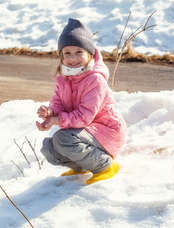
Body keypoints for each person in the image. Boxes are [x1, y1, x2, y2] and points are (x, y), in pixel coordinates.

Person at [36, 18, 126, 185]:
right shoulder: (63, 77)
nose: (73, 58)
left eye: (79, 52)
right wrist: (50, 114)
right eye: (67, 53)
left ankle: (105, 165)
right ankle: (82, 166)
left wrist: (59, 120)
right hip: (85, 132)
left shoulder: (95, 80)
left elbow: (84, 117)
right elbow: (58, 101)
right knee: (49, 148)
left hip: (106, 131)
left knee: (64, 139)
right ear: (61, 56)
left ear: (90, 54)